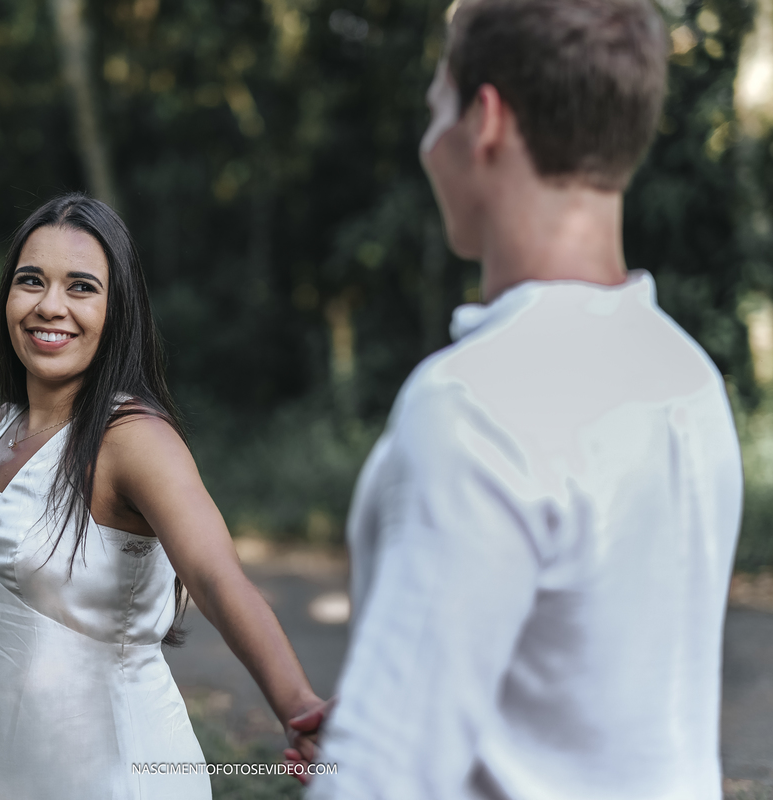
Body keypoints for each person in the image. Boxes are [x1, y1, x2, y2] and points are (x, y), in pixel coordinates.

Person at [294, 1, 744, 797]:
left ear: (486, 120)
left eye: (438, 106)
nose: (429, 141)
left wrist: (367, 747)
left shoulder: (473, 403)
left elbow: (381, 782)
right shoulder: (689, 379)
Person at [0, 193, 324, 800]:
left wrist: (298, 706)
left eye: (81, 287)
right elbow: (0, 633)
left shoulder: (134, 438)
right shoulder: (3, 428)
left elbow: (218, 579)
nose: (49, 306)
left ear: (118, 311)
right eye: (31, 281)